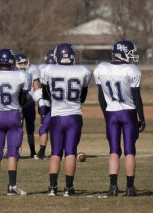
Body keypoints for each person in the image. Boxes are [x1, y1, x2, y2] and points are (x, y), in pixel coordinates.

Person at [93, 40, 145, 197]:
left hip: (111, 113)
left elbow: (101, 97)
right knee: (130, 150)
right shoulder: (132, 69)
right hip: (128, 113)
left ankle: (113, 187)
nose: (132, 55)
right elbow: (137, 98)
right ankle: (130, 188)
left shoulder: (101, 68)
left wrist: (106, 115)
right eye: (130, 52)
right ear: (123, 53)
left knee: (114, 150)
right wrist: (141, 117)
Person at [41, 43, 92, 196]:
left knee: (56, 152)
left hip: (56, 116)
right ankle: (68, 188)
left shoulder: (48, 70)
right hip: (74, 116)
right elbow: (82, 97)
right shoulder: (83, 71)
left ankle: (52, 188)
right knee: (70, 152)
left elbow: (45, 95)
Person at [0, 48, 31, 196]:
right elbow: (22, 100)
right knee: (12, 153)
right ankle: (12, 186)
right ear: (11, 61)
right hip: (13, 115)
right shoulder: (21, 75)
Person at [15, 53, 41, 158]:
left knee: (30, 129)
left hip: (29, 103)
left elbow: (37, 87)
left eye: (25, 62)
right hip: (18, 104)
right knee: (17, 129)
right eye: (20, 63)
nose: (23, 65)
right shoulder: (14, 72)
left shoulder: (33, 69)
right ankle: (16, 151)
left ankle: (33, 151)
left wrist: (39, 102)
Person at [34, 53, 56, 160]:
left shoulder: (43, 70)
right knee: (48, 128)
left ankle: (44, 152)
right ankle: (44, 151)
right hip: (53, 105)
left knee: (46, 129)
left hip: (54, 105)